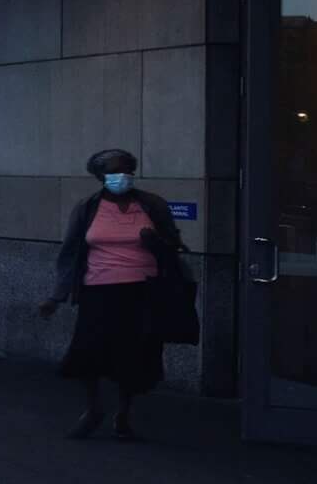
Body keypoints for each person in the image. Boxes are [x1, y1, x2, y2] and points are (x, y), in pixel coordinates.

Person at [38, 148, 190, 441]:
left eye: (127, 170)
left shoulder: (152, 205)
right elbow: (70, 252)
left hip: (142, 290)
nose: (122, 176)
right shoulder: (88, 208)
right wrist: (56, 296)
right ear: (101, 176)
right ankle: (93, 408)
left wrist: (156, 241)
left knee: (134, 355)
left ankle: (124, 412)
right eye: (114, 171)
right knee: (87, 351)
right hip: (99, 290)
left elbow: (175, 245)